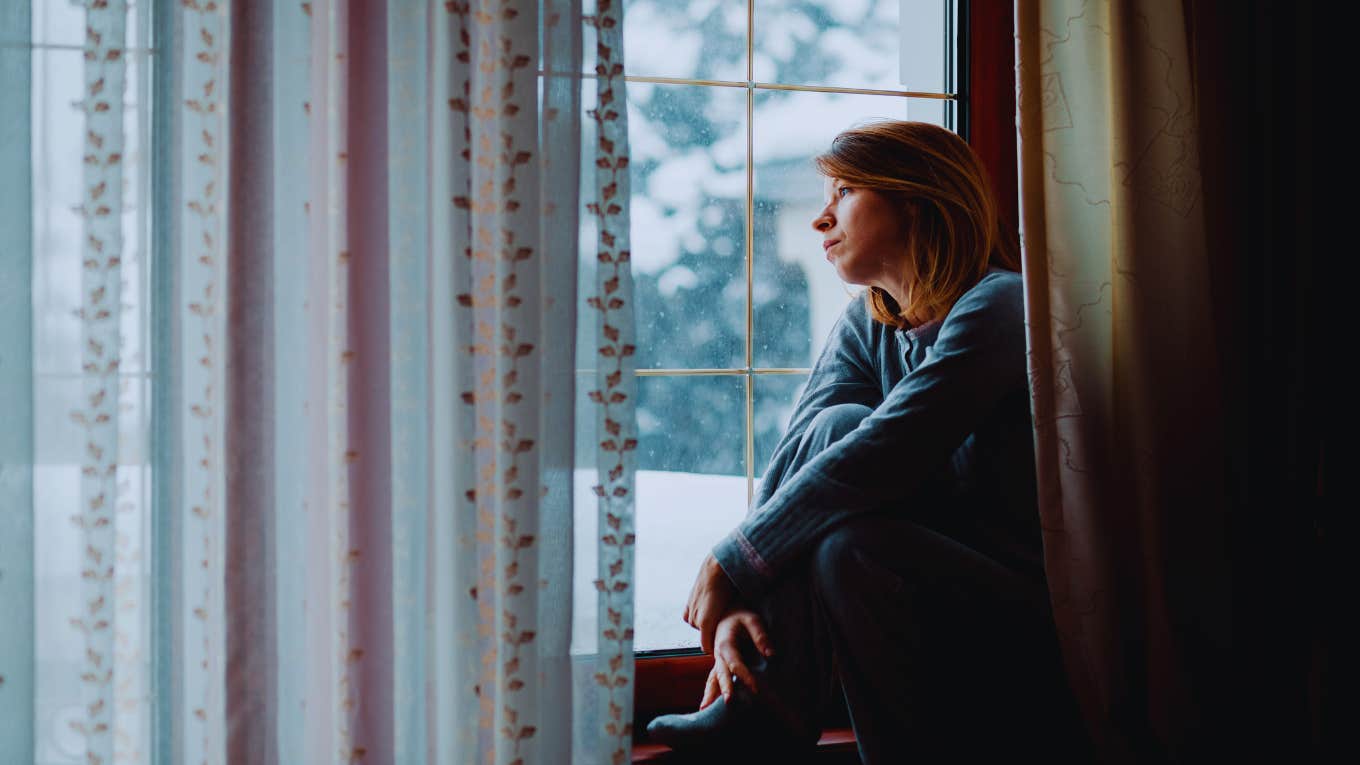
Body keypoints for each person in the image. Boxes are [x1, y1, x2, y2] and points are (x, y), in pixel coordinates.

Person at [644, 120, 1093, 763]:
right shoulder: (869, 319)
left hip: (1012, 616)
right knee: (830, 437)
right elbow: (802, 452)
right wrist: (743, 591)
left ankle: (774, 720)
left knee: (850, 532)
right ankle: (762, 712)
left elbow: (889, 450)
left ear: (917, 199)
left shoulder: (1000, 305)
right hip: (890, 597)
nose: (820, 220)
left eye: (845, 192)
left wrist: (731, 562)